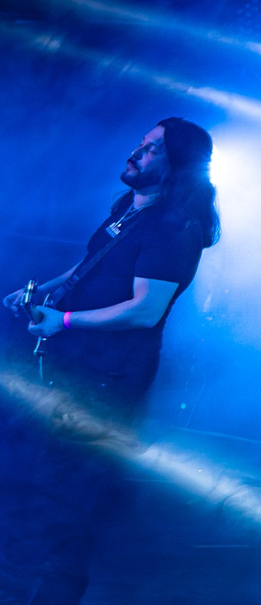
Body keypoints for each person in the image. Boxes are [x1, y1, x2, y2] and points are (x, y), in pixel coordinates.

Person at [14, 117, 219, 431]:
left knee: (72, 467)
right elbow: (96, 261)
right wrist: (43, 290)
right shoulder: (129, 205)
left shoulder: (174, 228)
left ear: (177, 166)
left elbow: (145, 311)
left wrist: (64, 320)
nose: (136, 153)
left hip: (107, 374)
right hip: (79, 357)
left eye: (153, 150)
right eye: (141, 142)